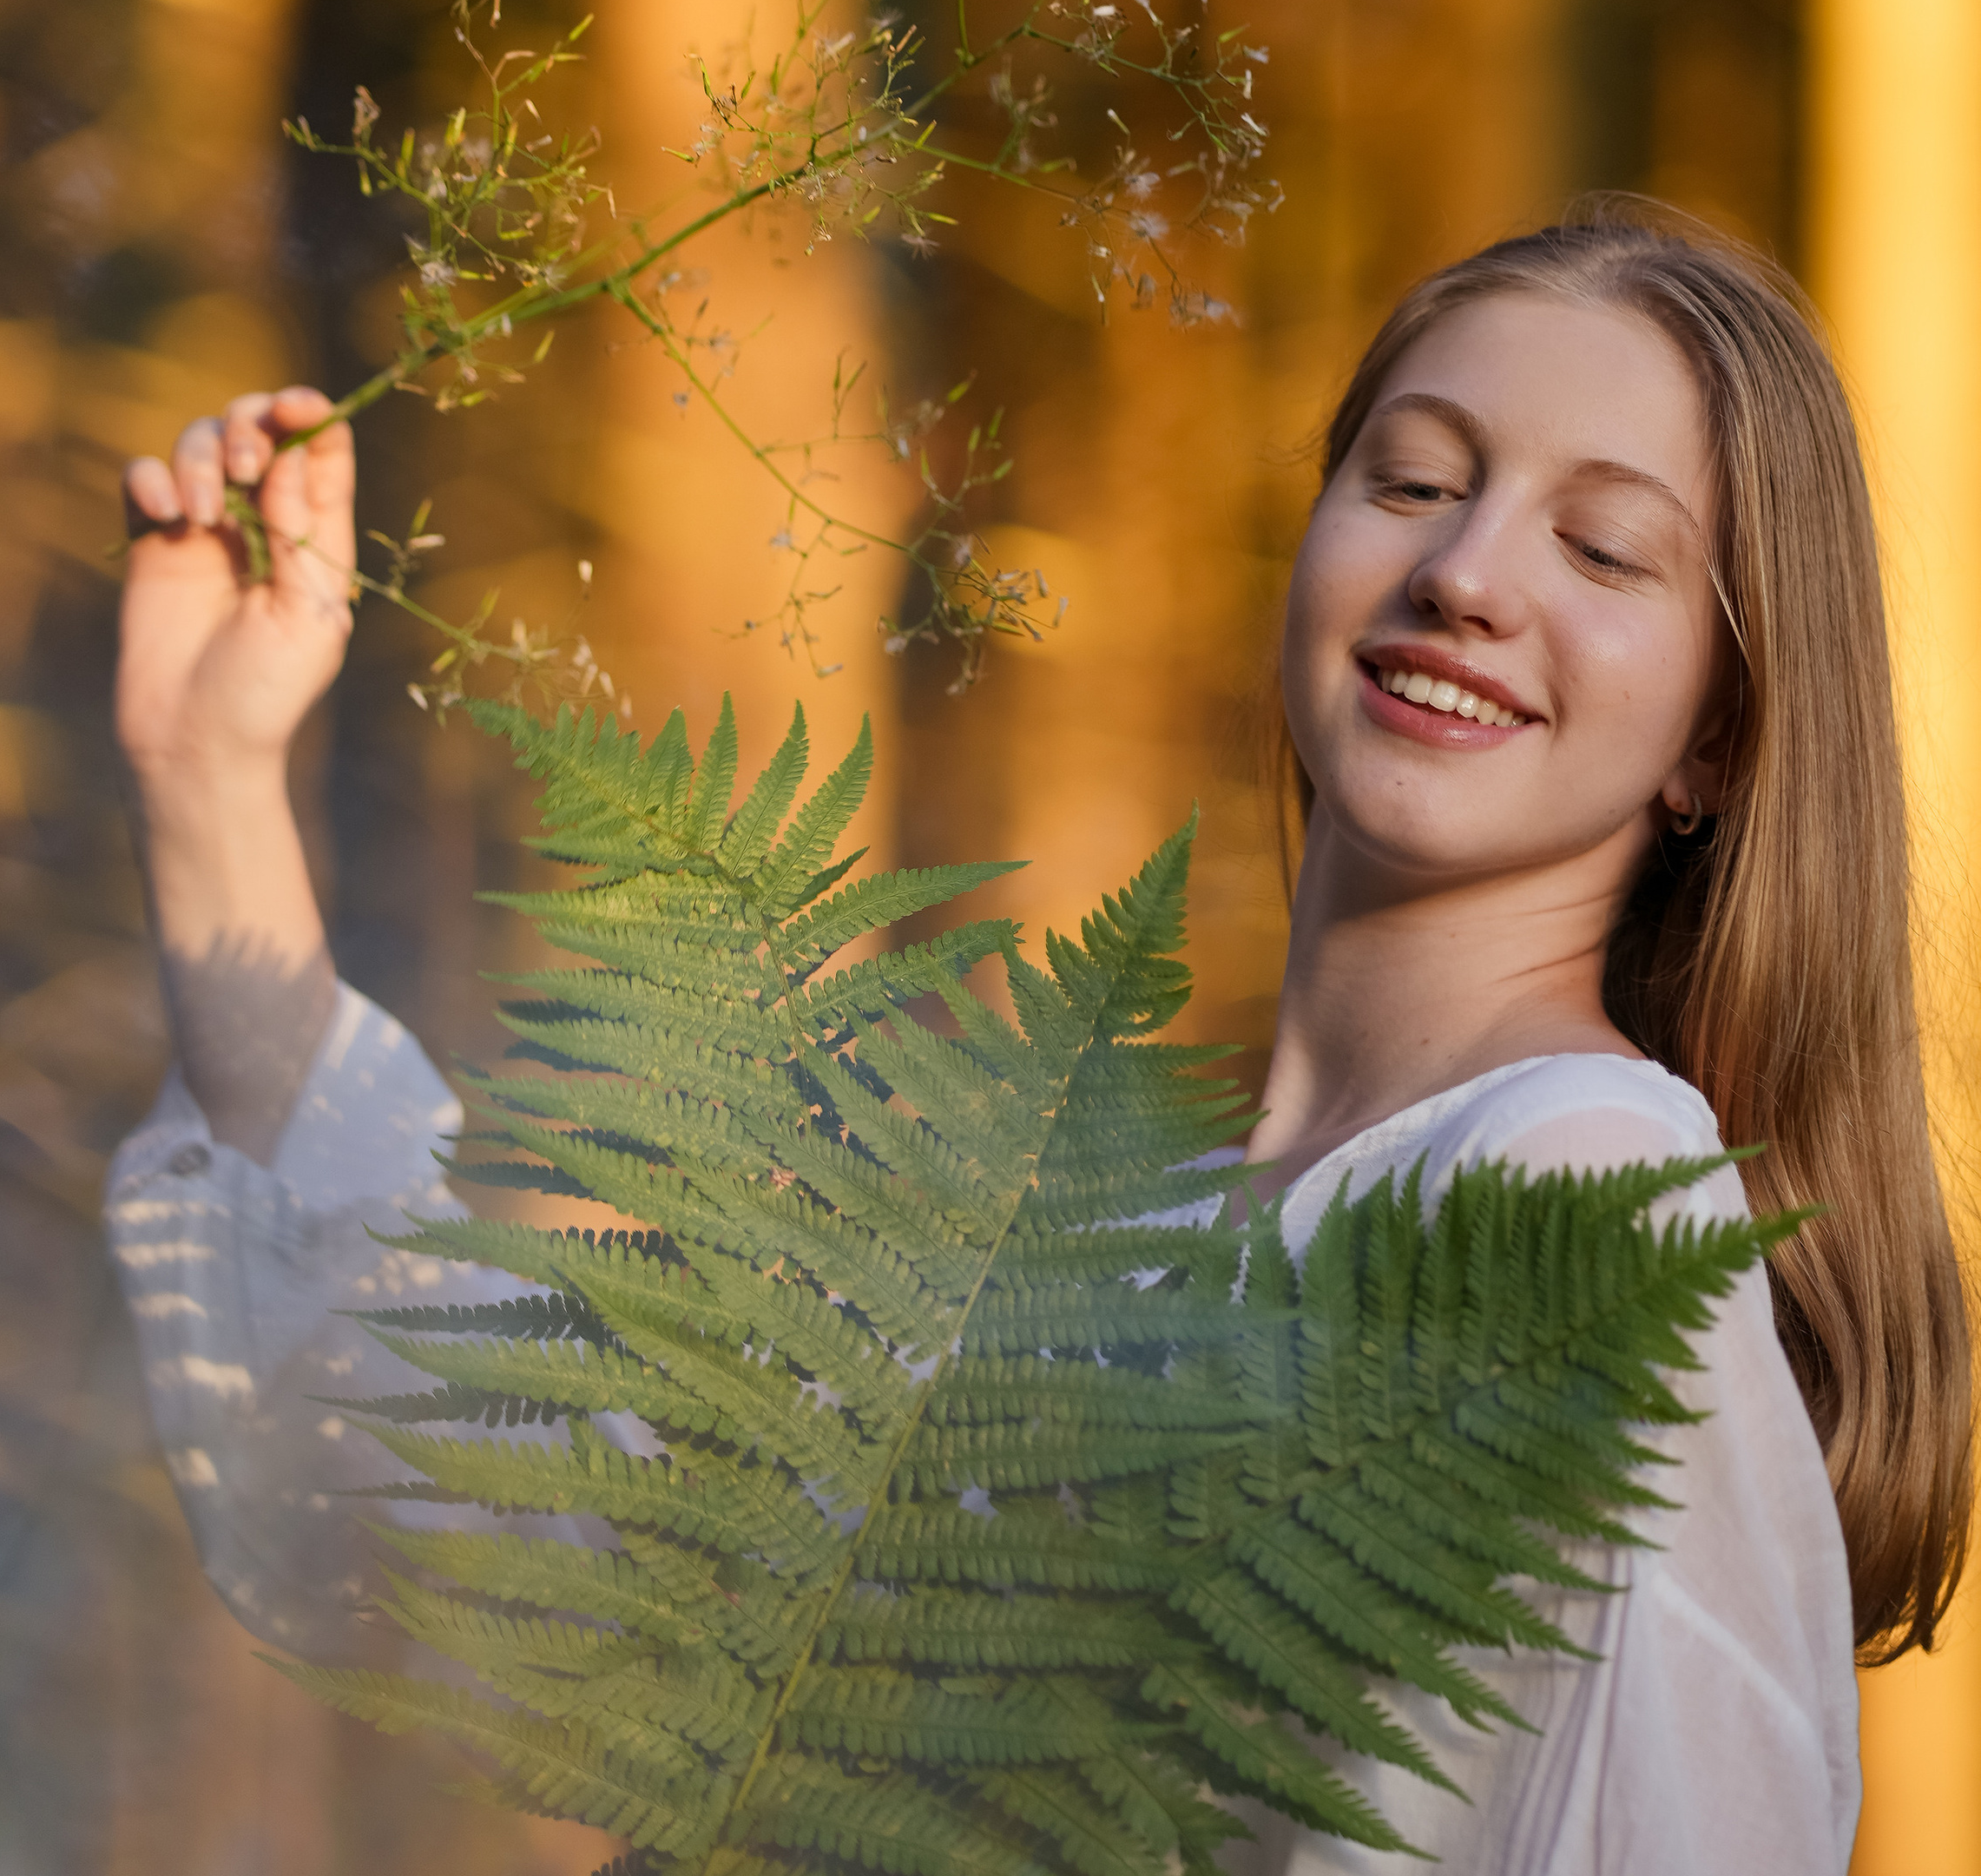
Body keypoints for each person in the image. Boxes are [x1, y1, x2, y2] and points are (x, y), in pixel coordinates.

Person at [106, 208, 1971, 1871]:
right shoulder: (1099, 1234)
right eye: (1410, 480)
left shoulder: (1591, 1206)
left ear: (1719, 736)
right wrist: (208, 772)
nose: (1467, 571)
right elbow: (475, 1490)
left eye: (1600, 546)